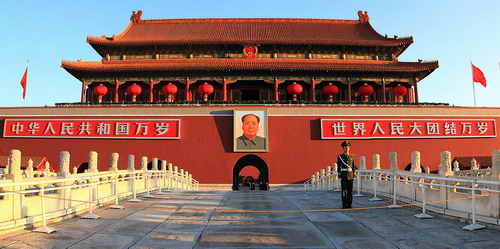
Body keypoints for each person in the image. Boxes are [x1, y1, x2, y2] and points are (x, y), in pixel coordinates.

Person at [337, 141, 356, 208]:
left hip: (350, 176)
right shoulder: (340, 157)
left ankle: (349, 204)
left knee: (350, 191)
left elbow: (353, 167)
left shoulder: (352, 156)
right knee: (344, 190)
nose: (347, 148)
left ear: (349, 148)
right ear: (343, 148)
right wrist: (339, 175)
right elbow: (339, 166)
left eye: (348, 147)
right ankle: (344, 204)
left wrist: (354, 174)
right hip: (344, 175)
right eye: (345, 147)